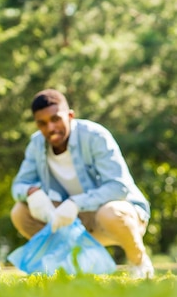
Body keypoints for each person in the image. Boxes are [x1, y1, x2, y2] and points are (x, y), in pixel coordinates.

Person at [10, 88, 153, 278]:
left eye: (55, 119)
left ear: (70, 116)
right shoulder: (36, 144)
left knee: (111, 213)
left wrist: (76, 203)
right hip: (71, 220)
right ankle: (68, 265)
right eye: (42, 123)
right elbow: (18, 185)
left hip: (113, 218)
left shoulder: (95, 136)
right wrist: (31, 192)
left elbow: (119, 186)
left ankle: (139, 262)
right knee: (20, 212)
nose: (50, 128)